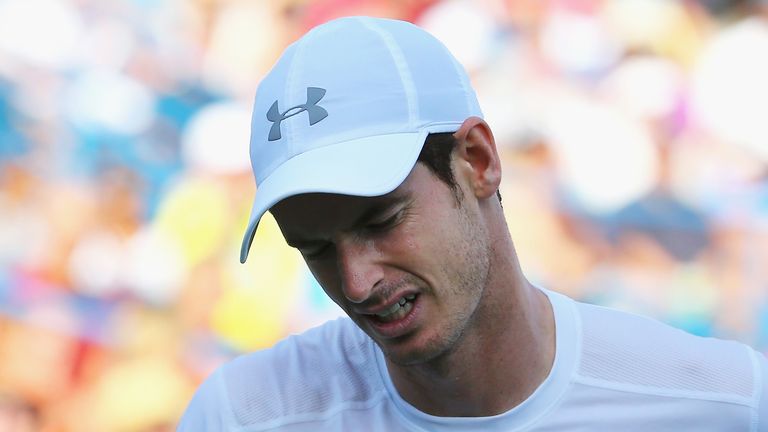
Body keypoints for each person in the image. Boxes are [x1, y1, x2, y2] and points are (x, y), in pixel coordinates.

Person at [178, 16, 768, 431]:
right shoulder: (241, 416)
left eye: (382, 220)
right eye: (316, 249)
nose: (356, 283)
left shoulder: (725, 404)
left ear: (478, 161)